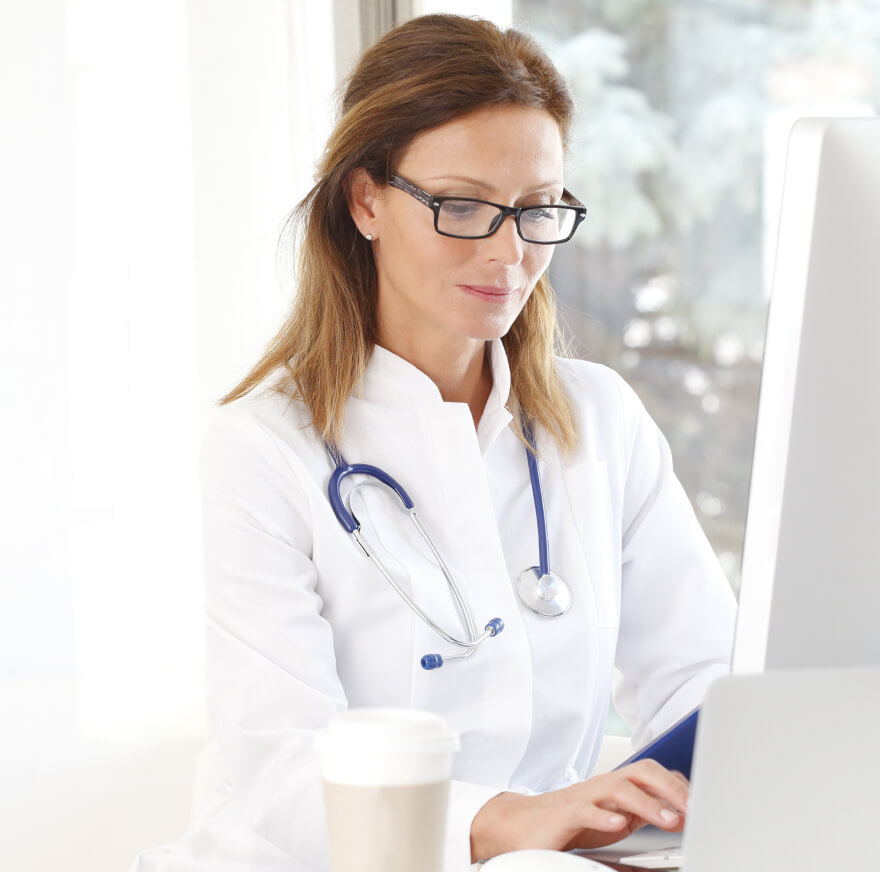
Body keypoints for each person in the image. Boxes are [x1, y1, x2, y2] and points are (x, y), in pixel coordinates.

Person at [132, 13, 735, 872]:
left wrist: (686, 797)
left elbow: (707, 680)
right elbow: (283, 771)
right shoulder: (262, 451)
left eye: (537, 210)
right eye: (462, 206)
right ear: (366, 199)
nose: (507, 251)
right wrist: (504, 823)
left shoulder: (600, 419)